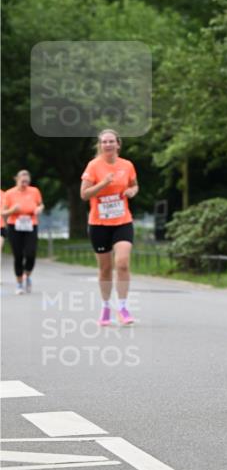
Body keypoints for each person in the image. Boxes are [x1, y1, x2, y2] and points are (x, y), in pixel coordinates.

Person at [80, 129, 139, 326]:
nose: (108, 145)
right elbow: (84, 194)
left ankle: (123, 307)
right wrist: (103, 184)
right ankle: (106, 307)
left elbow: (134, 185)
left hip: (122, 221)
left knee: (122, 263)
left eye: (111, 141)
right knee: (105, 269)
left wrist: (131, 191)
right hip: (99, 224)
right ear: (100, 145)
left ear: (118, 144)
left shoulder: (127, 165)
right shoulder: (94, 166)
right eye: (104, 142)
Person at [2, 170, 44, 294]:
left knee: (31, 254)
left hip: (31, 225)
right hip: (15, 226)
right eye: (22, 181)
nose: (25, 184)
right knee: (18, 255)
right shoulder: (9, 193)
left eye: (27, 181)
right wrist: (12, 210)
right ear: (17, 179)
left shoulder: (35, 191)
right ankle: (19, 283)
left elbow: (41, 205)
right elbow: (3, 213)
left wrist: (39, 209)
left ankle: (27, 275)